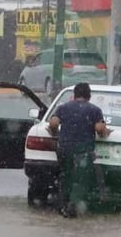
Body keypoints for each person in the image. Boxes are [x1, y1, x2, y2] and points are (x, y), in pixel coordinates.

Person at [48, 82, 113, 218]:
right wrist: (105, 132)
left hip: (65, 149)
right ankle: (74, 206)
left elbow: (53, 123)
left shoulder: (63, 108)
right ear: (89, 96)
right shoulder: (94, 110)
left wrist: (54, 132)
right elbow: (99, 129)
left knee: (66, 176)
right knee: (80, 180)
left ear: (74, 95)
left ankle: (63, 206)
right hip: (83, 151)